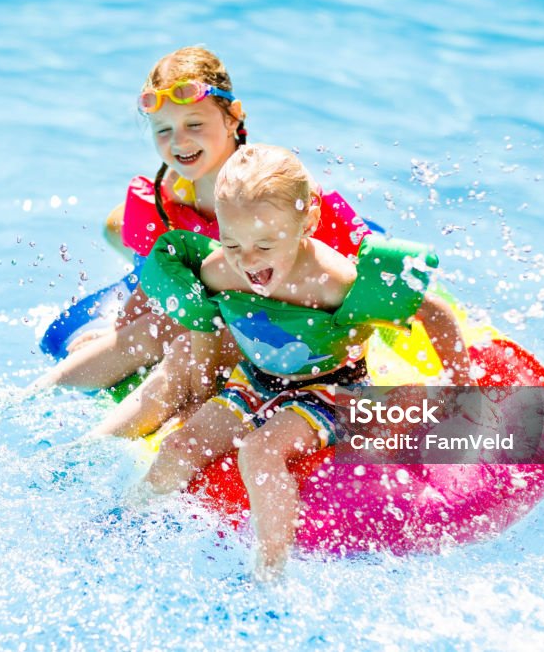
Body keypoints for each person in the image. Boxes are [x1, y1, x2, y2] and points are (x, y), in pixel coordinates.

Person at [134, 145, 472, 579]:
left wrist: (462, 385)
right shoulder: (222, 269)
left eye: (264, 244)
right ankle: (127, 522)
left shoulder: (331, 281)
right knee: (180, 445)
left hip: (329, 389)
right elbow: (203, 318)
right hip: (252, 380)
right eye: (232, 241)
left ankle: (269, 573)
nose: (248, 261)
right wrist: (198, 389)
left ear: (307, 223)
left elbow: (432, 312)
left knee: (259, 454)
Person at [29, 47, 370, 438]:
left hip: (265, 322)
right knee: (152, 311)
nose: (179, 141)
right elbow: (158, 279)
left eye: (194, 124)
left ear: (233, 117)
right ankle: (33, 398)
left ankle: (99, 438)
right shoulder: (166, 198)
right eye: (163, 130)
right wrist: (117, 328)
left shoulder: (275, 193)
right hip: (209, 303)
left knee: (175, 336)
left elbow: (367, 264)